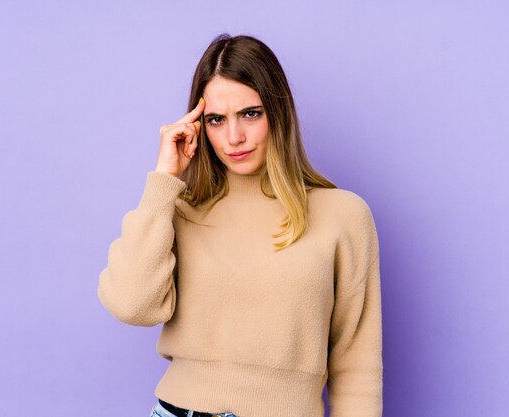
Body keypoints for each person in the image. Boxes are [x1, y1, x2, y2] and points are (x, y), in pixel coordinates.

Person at [97, 33, 383, 417]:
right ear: (199, 126)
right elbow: (132, 306)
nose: (234, 137)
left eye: (251, 113)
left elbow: (357, 367)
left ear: (277, 112)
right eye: (216, 120)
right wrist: (164, 180)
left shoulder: (343, 215)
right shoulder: (179, 209)